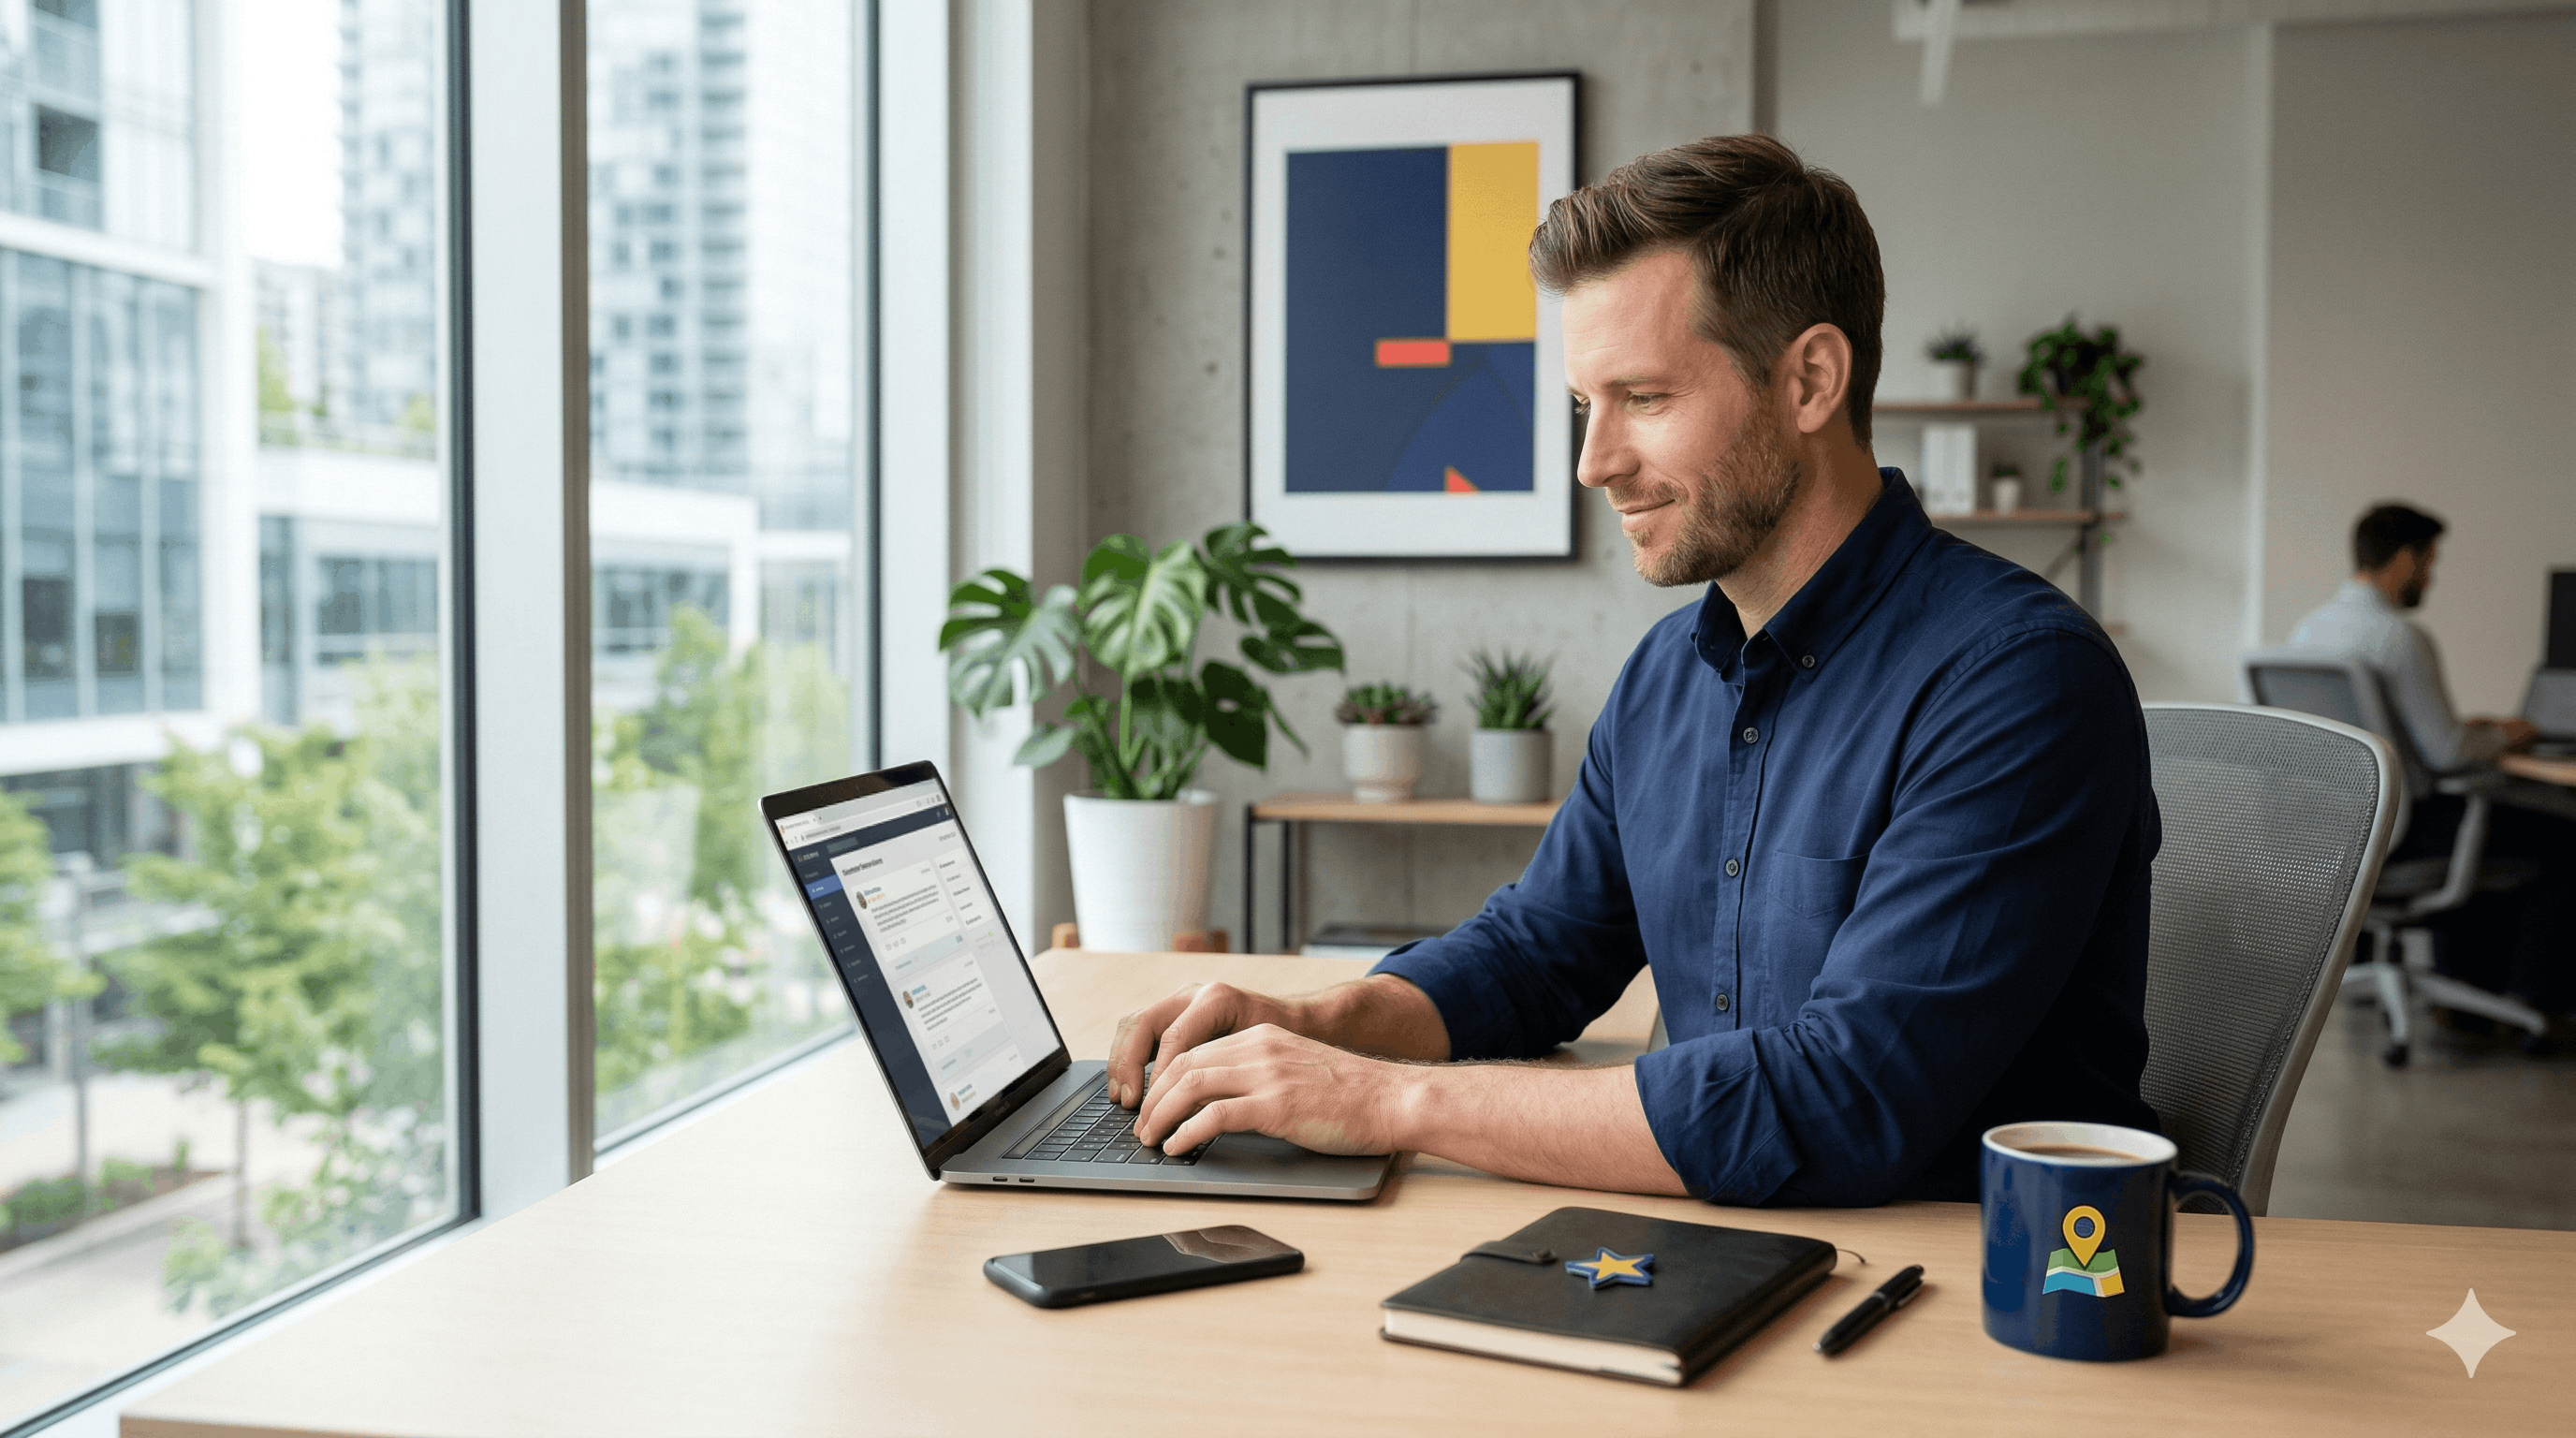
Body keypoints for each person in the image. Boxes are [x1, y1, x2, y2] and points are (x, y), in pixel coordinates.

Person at [1105, 135, 2161, 1207]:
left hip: (1972, 1294)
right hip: (1725, 1249)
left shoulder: (2018, 683)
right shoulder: (1669, 674)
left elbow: (1845, 1100)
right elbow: (1537, 952)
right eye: (1582, 406)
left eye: (1643, 398)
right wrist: (1316, 1025)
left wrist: (1381, 1099)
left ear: (1808, 380)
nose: (1592, 463)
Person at [2289, 504, 2571, 1020]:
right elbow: (2448, 753)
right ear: (2403, 559)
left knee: (2498, 824)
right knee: (2562, 833)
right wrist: (2508, 734)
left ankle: (2463, 1002)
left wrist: (2477, 733)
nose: (2430, 578)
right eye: (2429, 562)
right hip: (2403, 831)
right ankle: (2534, 1003)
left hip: (2335, 827)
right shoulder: (2398, 636)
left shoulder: (2309, 630)